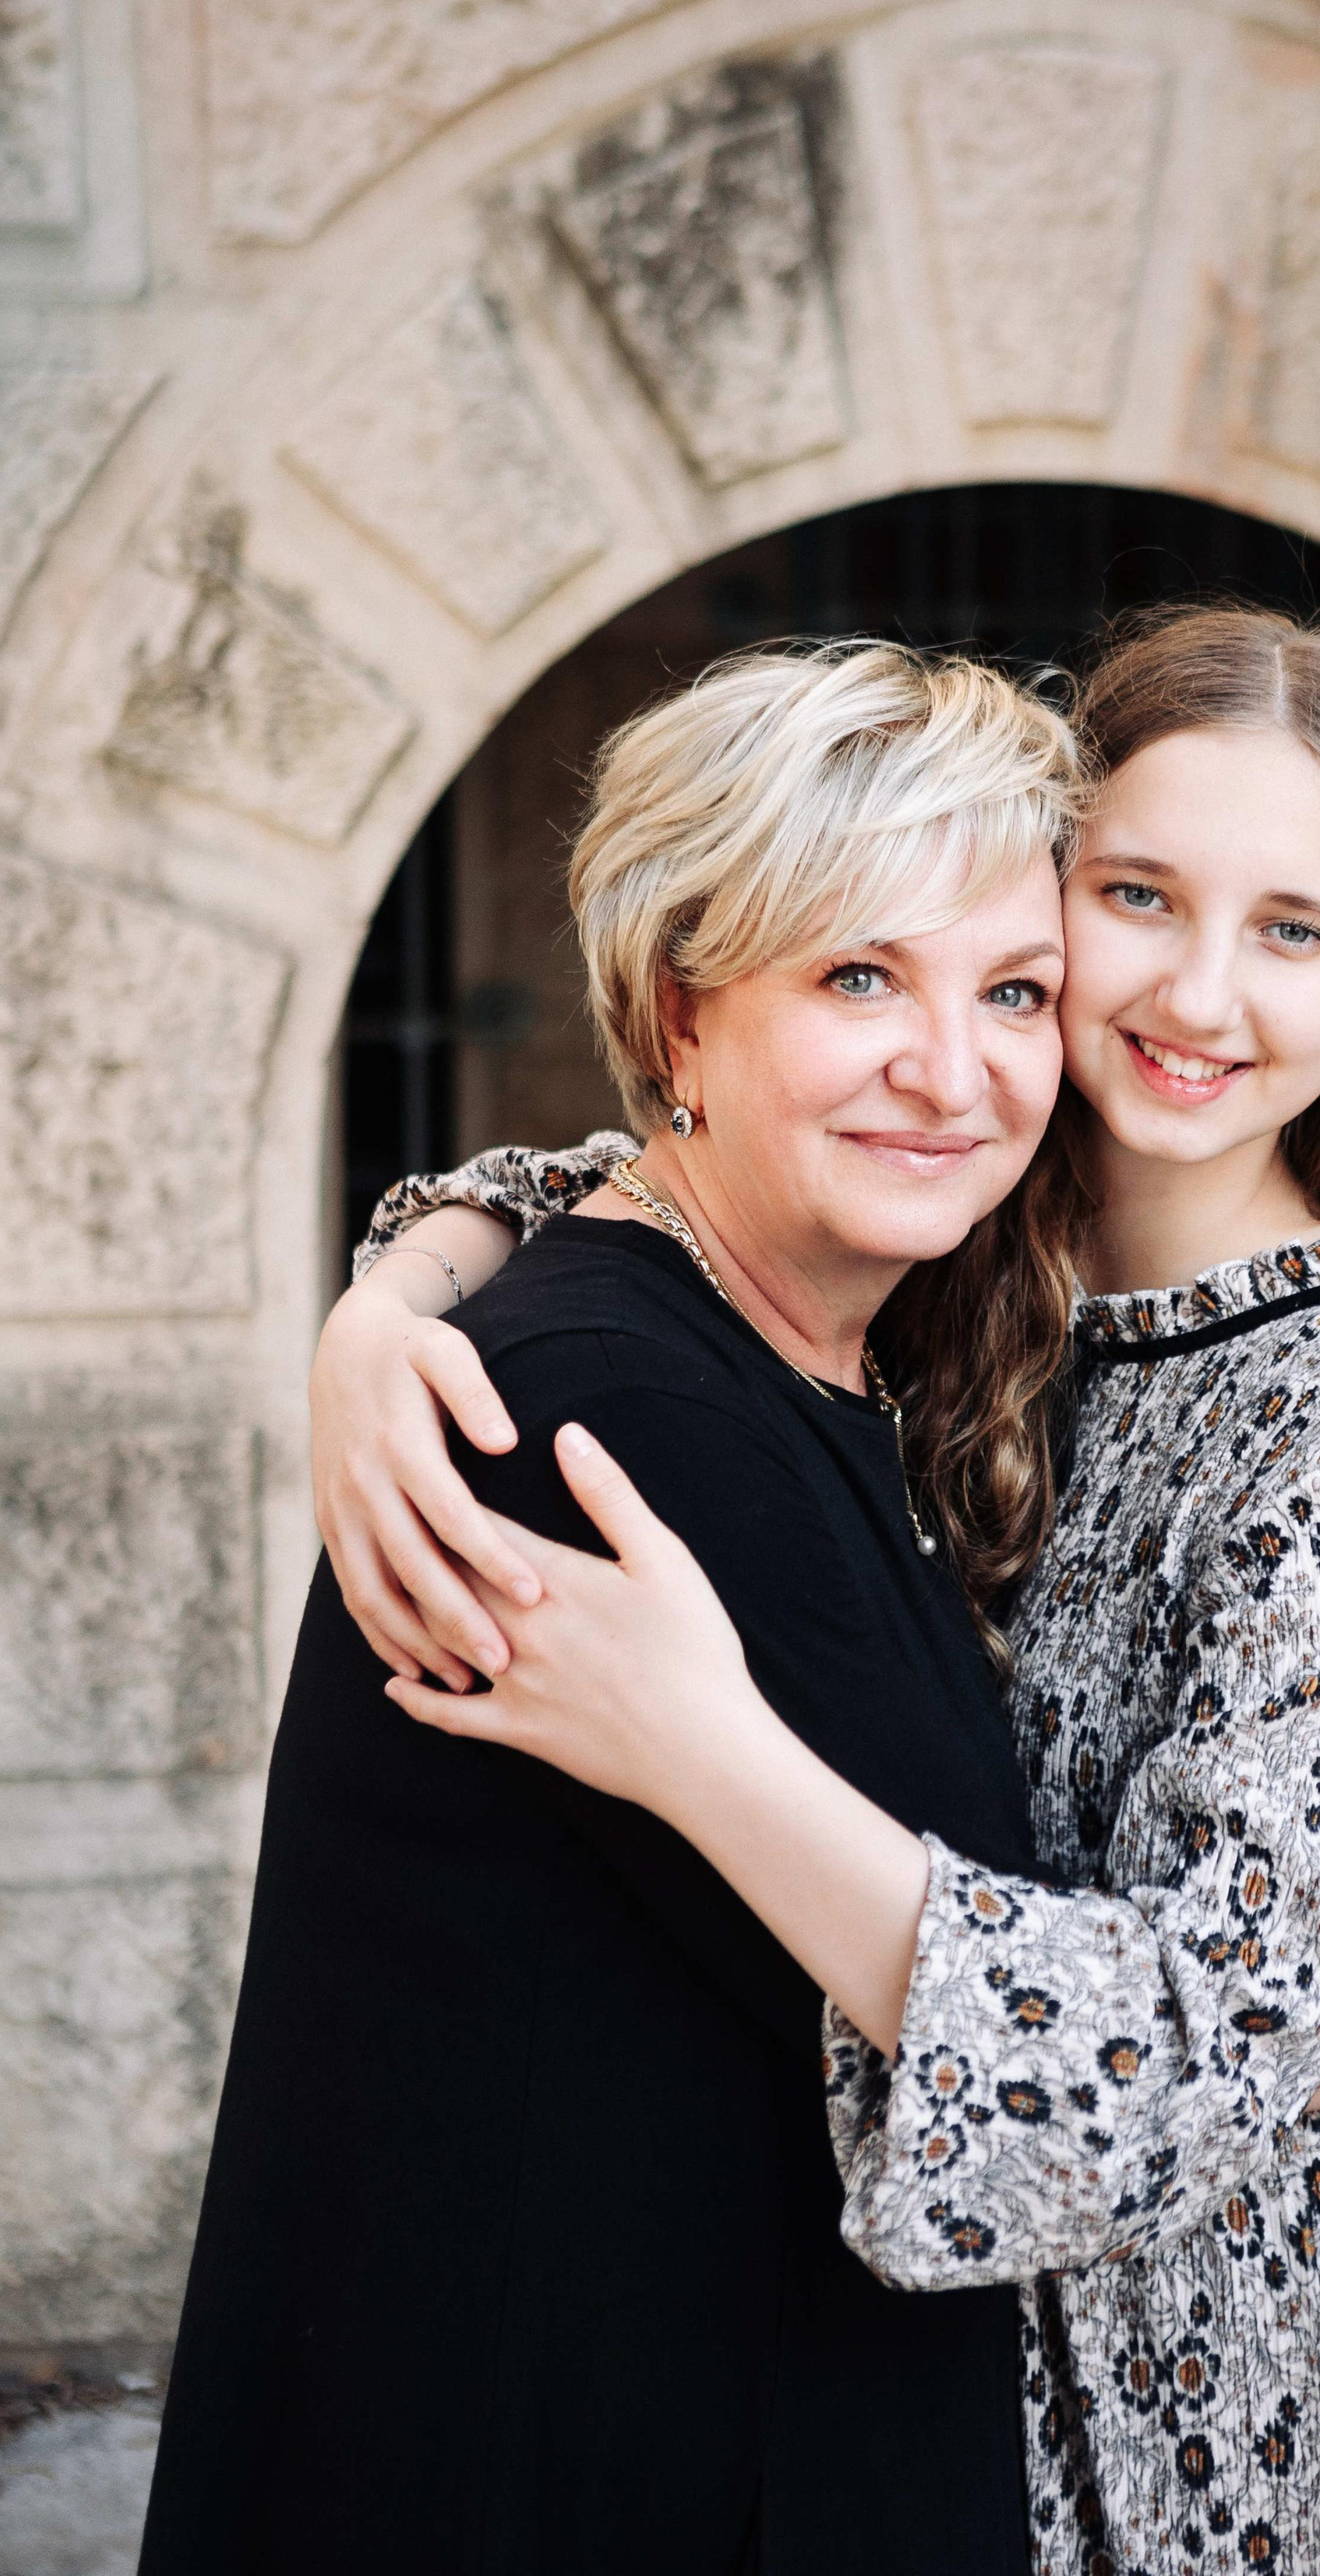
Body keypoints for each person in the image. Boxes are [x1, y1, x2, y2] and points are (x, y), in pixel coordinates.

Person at [315, 604, 1320, 2572]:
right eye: (1136, 896)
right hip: (947, 2385)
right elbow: (686, 1149)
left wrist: (692, 1743)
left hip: (1272, 2421)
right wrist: (402, 1287)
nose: (1194, 989)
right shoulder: (961, 1256)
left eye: (1294, 930)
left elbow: (1176, 2063)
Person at [139, 644, 1086, 2576]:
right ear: (680, 1010)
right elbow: (1030, 2064)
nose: (954, 1068)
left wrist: (408, 1262)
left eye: (1014, 991)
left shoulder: (751, 1336)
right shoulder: (614, 1417)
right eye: (855, 978)